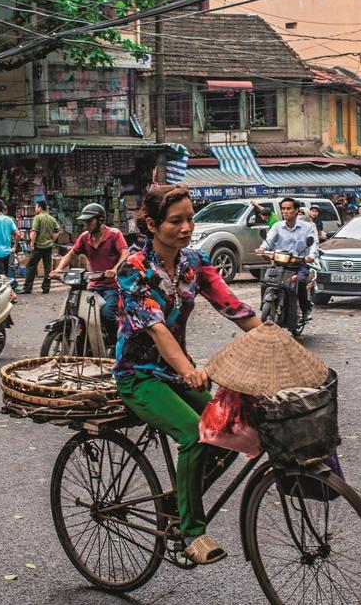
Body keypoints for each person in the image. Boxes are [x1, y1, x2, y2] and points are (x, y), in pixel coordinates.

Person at [114, 185, 262, 565]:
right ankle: (191, 532)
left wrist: (274, 341)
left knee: (235, 432)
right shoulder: (133, 269)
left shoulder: (194, 262)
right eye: (176, 221)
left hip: (176, 374)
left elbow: (233, 305)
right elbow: (157, 328)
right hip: (140, 376)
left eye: (190, 219)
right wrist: (190, 370)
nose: (186, 227)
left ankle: (181, 499)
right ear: (151, 224)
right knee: (195, 435)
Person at [52, 203, 129, 328]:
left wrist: (115, 269)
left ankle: (117, 343)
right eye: (85, 222)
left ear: (101, 220)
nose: (87, 225)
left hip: (112, 287)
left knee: (106, 314)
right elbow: (71, 254)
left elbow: (125, 253)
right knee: (80, 312)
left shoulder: (114, 234)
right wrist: (58, 269)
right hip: (93, 285)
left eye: (90, 221)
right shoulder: (84, 237)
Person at [255, 197, 319, 321]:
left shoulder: (307, 227)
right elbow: (268, 241)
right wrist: (262, 249)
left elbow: (313, 244)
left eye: (288, 209)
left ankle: (305, 309)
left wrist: (310, 256)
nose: (285, 211)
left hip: (299, 263)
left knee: (300, 281)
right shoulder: (277, 226)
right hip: (280, 263)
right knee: (267, 280)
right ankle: (266, 303)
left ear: (296, 210)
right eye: (283, 209)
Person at [22, 200, 60, 294]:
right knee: (47, 267)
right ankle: (46, 287)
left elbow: (34, 232)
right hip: (48, 246)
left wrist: (32, 244)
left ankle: (27, 288)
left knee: (31, 266)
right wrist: (52, 239)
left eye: (36, 207)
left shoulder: (37, 218)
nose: (35, 209)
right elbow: (58, 230)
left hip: (38, 247)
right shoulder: (52, 219)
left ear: (39, 207)